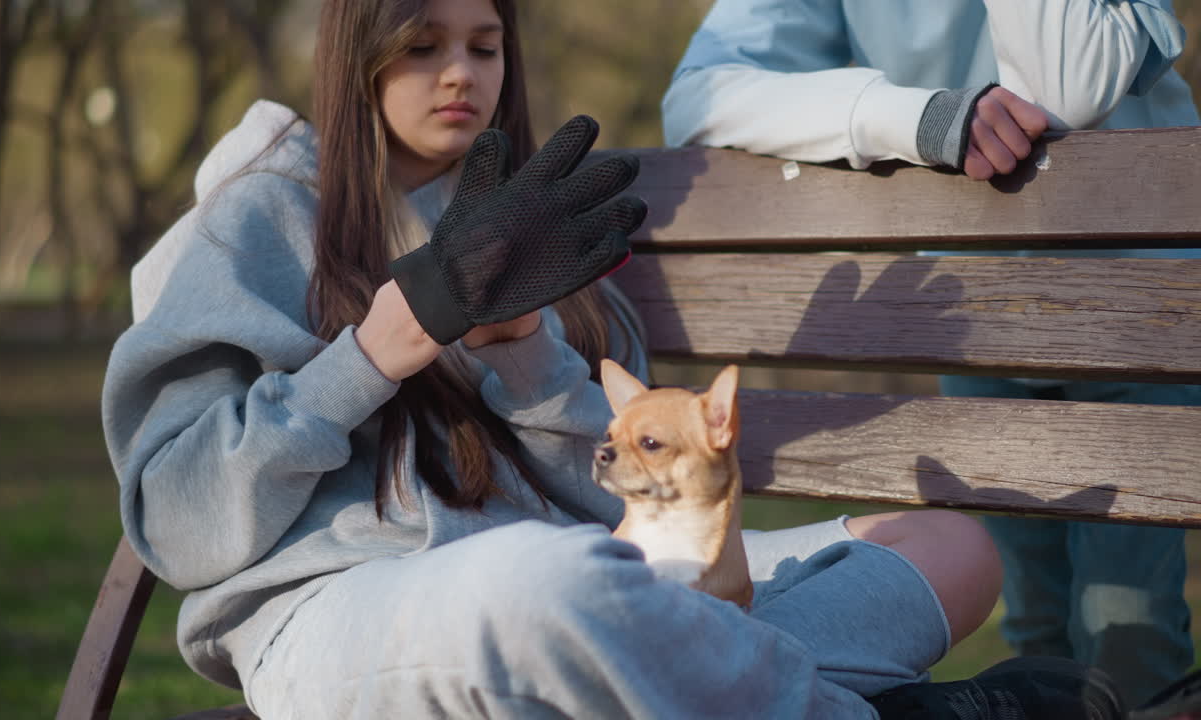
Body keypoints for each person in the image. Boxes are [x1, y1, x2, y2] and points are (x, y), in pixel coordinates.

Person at [101, 0, 1125, 717]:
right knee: (548, 592)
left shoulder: (539, 221)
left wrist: (525, 356)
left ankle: (673, 683)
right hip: (350, 609)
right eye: (421, 44)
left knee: (944, 551)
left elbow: (616, 500)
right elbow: (177, 521)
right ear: (356, 51)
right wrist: (381, 344)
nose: (461, 73)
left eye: (485, 44)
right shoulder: (263, 218)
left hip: (592, 578)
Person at [662, 0, 1200, 710]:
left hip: (1140, 301)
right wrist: (918, 118)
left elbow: (1064, 86)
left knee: (1127, 630)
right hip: (976, 310)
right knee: (1036, 630)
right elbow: (697, 99)